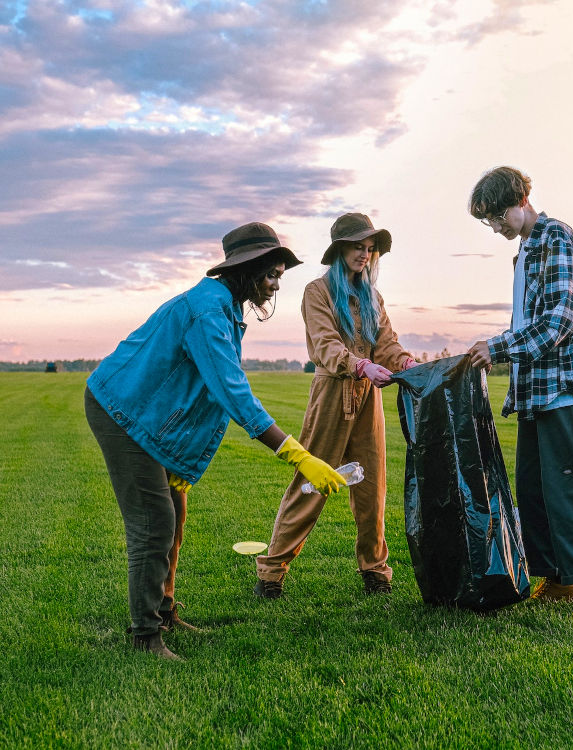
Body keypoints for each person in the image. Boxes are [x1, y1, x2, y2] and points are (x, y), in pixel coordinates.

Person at [85, 223, 347, 661]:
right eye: (271, 274)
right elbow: (232, 392)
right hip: (122, 410)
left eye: (280, 274)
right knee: (154, 524)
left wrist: (180, 462)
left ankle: (164, 610)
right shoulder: (208, 312)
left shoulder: (225, 307)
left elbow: (197, 395)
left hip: (147, 414)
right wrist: (299, 456)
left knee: (175, 512)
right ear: (245, 269)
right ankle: (145, 637)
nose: (276, 284)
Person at [466, 166, 573, 617]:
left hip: (564, 388)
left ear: (519, 200)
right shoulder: (526, 251)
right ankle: (557, 581)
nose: (494, 228)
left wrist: (497, 348)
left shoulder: (556, 237)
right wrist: (496, 345)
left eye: (495, 217)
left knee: (571, 490)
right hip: (534, 391)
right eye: (487, 222)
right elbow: (527, 323)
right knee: (535, 491)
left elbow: (559, 321)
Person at [254, 213, 416, 599]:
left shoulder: (372, 297)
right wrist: (360, 365)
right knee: (310, 484)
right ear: (340, 249)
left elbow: (387, 344)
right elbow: (325, 345)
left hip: (368, 399)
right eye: (358, 246)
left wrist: (406, 363)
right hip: (331, 393)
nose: (365, 254)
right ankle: (271, 572)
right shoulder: (317, 292)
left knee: (372, 489)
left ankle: (375, 570)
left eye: (370, 248)